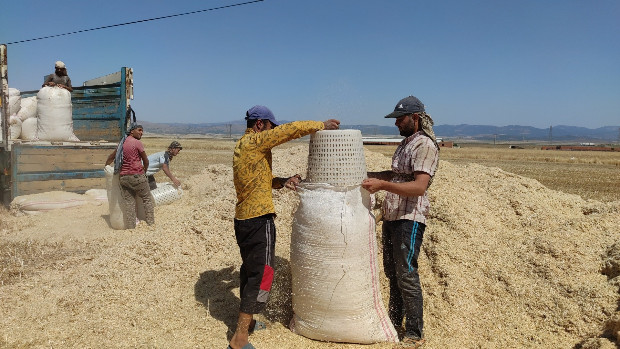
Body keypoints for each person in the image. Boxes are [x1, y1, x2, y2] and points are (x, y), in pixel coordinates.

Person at [228, 105, 340, 349]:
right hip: (259, 220)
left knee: (249, 271)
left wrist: (282, 181)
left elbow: (259, 180)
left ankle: (246, 324)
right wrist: (320, 125)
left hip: (243, 220)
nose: (273, 131)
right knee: (263, 274)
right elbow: (291, 130)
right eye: (271, 127)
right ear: (260, 125)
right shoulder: (257, 141)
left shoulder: (242, 146)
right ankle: (239, 339)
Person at [361, 95, 439, 349]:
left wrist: (382, 185)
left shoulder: (424, 145)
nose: (396, 124)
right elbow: (395, 175)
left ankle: (415, 333)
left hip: (410, 218)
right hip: (393, 216)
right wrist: (367, 175)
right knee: (393, 274)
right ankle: (394, 324)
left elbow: (418, 186)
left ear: (415, 118)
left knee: (406, 274)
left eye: (400, 119)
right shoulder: (406, 143)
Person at [105, 122, 155, 228]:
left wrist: (106, 167)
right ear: (132, 131)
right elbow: (146, 161)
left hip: (124, 178)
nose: (142, 133)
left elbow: (111, 157)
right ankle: (151, 223)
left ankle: (131, 227)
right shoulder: (137, 143)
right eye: (139, 130)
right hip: (137, 176)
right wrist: (144, 174)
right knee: (146, 198)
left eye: (142, 131)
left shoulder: (122, 143)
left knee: (129, 203)